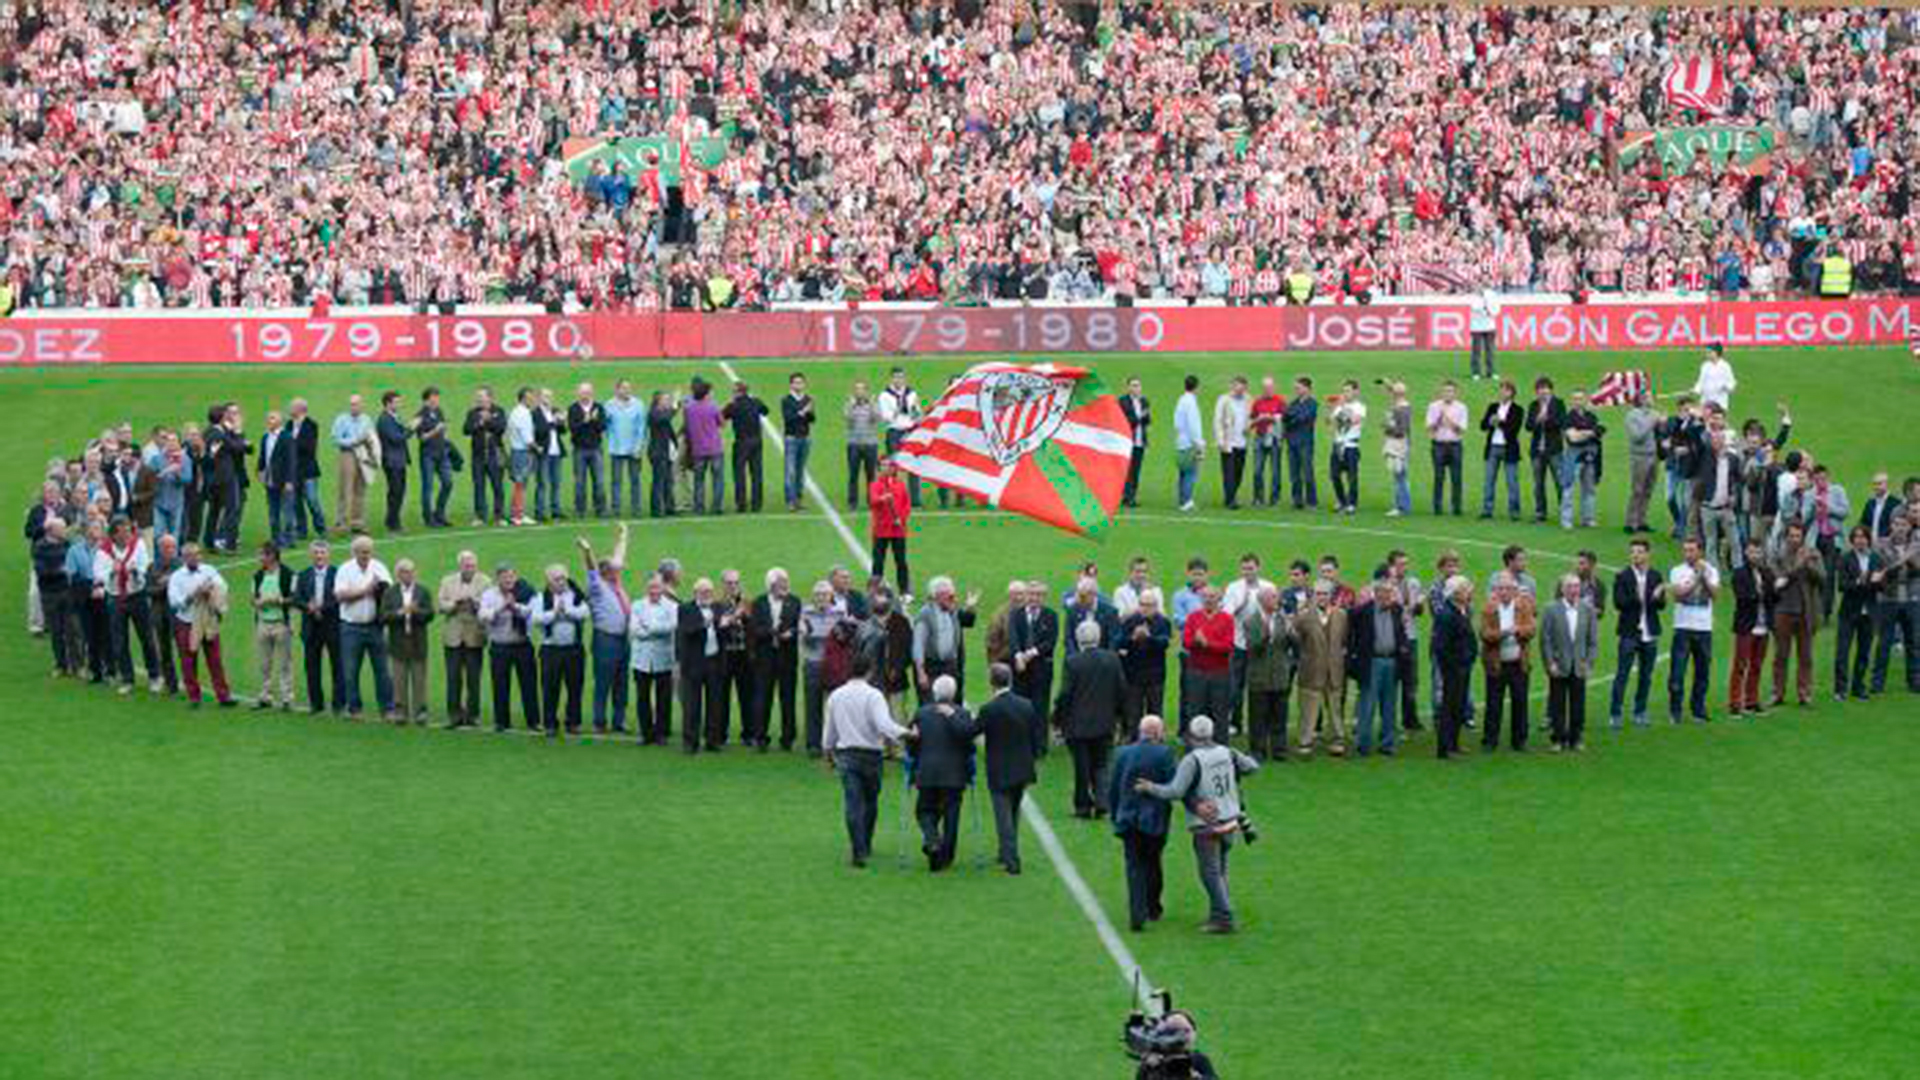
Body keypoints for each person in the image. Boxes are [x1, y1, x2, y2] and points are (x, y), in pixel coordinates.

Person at [1132, 715, 1258, 934]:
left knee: (1210, 873)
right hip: (1231, 820)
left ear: (1191, 735)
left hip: (1207, 825)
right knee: (1221, 870)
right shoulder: (1227, 752)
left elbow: (1175, 791)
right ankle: (1218, 914)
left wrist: (1150, 787)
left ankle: (1225, 918)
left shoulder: (1193, 760)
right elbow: (1252, 767)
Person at [823, 653, 908, 868]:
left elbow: (829, 731)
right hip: (871, 755)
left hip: (847, 755)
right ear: (869, 671)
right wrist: (908, 734)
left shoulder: (836, 695)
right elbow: (884, 725)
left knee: (853, 804)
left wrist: (827, 754)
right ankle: (866, 843)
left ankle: (857, 848)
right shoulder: (874, 695)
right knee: (870, 802)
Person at [1109, 715, 1176, 932]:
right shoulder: (1164, 753)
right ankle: (1153, 907)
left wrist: (1114, 814)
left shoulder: (1122, 753)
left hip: (1128, 818)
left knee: (1134, 866)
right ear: (1158, 733)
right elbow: (1172, 786)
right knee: (1153, 862)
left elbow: (1113, 788)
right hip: (1156, 819)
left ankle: (1137, 914)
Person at [1054, 621, 1125, 819]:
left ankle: (1083, 806)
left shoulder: (1073, 661)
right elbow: (1121, 690)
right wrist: (1119, 716)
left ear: (1078, 639)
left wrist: (1057, 718)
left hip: (1078, 725)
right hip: (1105, 722)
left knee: (1082, 766)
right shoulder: (1112, 659)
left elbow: (1066, 694)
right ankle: (1103, 802)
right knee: (1102, 764)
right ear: (1099, 637)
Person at [978, 663, 1043, 874]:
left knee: (1003, 816)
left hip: (999, 769)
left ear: (992, 683)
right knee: (1014, 811)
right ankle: (1005, 851)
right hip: (1023, 767)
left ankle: (1011, 859)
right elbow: (1035, 739)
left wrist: (951, 716)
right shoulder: (1026, 705)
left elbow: (970, 730)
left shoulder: (989, 709)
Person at [907, 675, 976, 872]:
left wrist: (913, 757)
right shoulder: (962, 714)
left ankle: (932, 840)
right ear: (953, 693)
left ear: (934, 693)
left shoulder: (922, 713)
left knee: (924, 810)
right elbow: (969, 744)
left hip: (927, 772)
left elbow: (912, 741)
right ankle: (946, 856)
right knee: (951, 815)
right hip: (954, 774)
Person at [333, 534, 396, 720]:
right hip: (351, 628)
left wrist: (381, 591)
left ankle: (388, 708)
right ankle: (355, 708)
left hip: (375, 627)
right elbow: (340, 595)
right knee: (351, 671)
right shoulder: (345, 569)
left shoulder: (379, 567)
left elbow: (390, 593)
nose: (366, 556)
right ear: (354, 552)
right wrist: (365, 591)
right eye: (362, 552)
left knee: (383, 671)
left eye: (368, 552)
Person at [95, 514, 160, 695]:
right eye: (123, 532)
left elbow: (145, 565)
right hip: (115, 598)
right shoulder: (104, 551)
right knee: (119, 640)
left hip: (136, 595)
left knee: (146, 637)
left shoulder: (137, 545)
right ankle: (127, 678)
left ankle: (154, 675)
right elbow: (99, 574)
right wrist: (112, 573)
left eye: (129, 531)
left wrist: (136, 571)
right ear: (114, 534)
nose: (127, 535)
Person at [166, 541, 234, 708]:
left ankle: (223, 695)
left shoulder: (209, 570)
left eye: (197, 554)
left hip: (207, 620)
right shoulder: (176, 577)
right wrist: (193, 595)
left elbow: (224, 587)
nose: (194, 558)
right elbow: (174, 602)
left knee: (215, 659)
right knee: (188, 661)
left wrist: (210, 589)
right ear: (183, 558)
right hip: (186, 623)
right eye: (190, 555)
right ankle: (194, 696)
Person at [1347, 574, 1408, 757]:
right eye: (1387, 593)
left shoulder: (1397, 610)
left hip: (1392, 661)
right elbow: (1351, 635)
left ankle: (1387, 744)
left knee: (1389, 706)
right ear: (1377, 594)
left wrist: (1403, 650)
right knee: (1368, 704)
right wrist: (1353, 659)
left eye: (1392, 593)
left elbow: (1401, 633)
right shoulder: (1361, 612)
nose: (1391, 596)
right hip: (1371, 662)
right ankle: (1363, 744)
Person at [579, 527, 632, 733]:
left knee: (622, 682)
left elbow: (619, 556)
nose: (619, 570)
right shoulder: (597, 586)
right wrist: (587, 551)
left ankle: (619, 721)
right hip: (605, 640)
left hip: (621, 639)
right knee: (604, 681)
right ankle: (599, 722)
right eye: (615, 569)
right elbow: (591, 569)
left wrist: (623, 536)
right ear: (606, 571)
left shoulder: (616, 584)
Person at [1609, 538, 1666, 729]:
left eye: (1640, 551)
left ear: (1647, 554)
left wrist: (1656, 597)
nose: (1636, 555)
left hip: (1649, 632)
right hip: (1629, 632)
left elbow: (1662, 605)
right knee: (1622, 674)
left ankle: (1640, 711)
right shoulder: (1622, 576)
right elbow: (1619, 603)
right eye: (1633, 552)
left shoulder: (1656, 576)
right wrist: (1641, 596)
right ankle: (1615, 712)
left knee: (1646, 675)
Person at [1769, 521, 1825, 708]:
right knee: (1780, 656)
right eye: (1791, 536)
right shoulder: (1778, 556)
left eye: (1798, 536)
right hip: (1783, 610)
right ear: (1786, 537)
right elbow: (1778, 581)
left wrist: (1808, 566)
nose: (1794, 539)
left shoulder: (1813, 553)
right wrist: (1799, 566)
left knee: (1805, 656)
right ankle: (1777, 693)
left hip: (1805, 611)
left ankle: (1804, 694)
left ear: (1803, 537)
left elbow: (1822, 579)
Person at [1541, 573, 1599, 752]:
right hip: (1559, 665)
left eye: (1576, 586)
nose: (1573, 590)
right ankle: (1558, 739)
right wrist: (1550, 663)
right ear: (1562, 589)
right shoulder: (1551, 609)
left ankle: (1576, 738)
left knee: (1578, 704)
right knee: (1557, 703)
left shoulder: (1587, 609)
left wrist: (1589, 663)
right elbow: (1546, 640)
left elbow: (1592, 641)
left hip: (1579, 665)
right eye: (1569, 586)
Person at [1292, 579, 1349, 758]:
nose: (1321, 597)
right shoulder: (1303, 616)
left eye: (1325, 593)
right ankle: (1305, 742)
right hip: (1311, 669)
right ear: (1313, 596)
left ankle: (1337, 740)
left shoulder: (1341, 615)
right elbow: (1296, 640)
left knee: (1335, 708)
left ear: (1331, 595)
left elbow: (1343, 640)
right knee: (1308, 708)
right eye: (1318, 593)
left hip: (1334, 669)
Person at [479, 564, 540, 732]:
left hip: (522, 645)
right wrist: (501, 608)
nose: (508, 580)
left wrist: (514, 607)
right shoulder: (489, 595)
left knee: (529, 684)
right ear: (497, 578)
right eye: (505, 577)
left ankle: (533, 721)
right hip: (500, 646)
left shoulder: (525, 591)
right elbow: (483, 616)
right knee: (500, 685)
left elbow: (532, 613)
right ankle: (502, 721)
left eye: (511, 576)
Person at [1479, 571, 1536, 751]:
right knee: (1493, 704)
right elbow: (1484, 634)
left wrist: (1518, 630)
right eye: (1500, 588)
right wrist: (1502, 634)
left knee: (1520, 702)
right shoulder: (1489, 608)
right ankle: (1490, 740)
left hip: (1518, 663)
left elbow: (1532, 629)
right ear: (1495, 590)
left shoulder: (1523, 606)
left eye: (1507, 588)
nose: (1504, 592)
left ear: (1514, 590)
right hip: (1496, 663)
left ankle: (1519, 741)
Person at [748, 567, 801, 751]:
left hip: (787, 658)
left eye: (786, 581)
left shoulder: (795, 601)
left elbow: (799, 626)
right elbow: (754, 629)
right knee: (763, 698)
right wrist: (774, 632)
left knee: (788, 699)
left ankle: (788, 738)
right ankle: (760, 737)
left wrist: (791, 633)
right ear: (771, 585)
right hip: (765, 658)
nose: (785, 585)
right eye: (781, 582)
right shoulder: (759, 603)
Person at [1240, 583, 1294, 761]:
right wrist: (1267, 634)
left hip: (1279, 675)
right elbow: (1253, 648)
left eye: (1276, 596)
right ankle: (1258, 750)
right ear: (1262, 600)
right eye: (1273, 597)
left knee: (1279, 715)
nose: (1277, 600)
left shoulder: (1283, 620)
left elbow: (1295, 645)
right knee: (1258, 717)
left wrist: (1291, 632)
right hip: (1259, 677)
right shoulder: (1250, 621)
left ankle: (1279, 749)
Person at [676, 577, 728, 752]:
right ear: (695, 593)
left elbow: (722, 633)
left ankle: (712, 741)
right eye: (704, 592)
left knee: (715, 704)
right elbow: (687, 630)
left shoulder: (718, 607)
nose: (707, 595)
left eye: (710, 592)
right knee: (692, 705)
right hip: (693, 664)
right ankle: (690, 742)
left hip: (714, 661)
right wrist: (704, 624)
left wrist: (726, 625)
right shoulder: (685, 608)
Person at [437, 550, 487, 729]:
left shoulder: (485, 581)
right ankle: (454, 715)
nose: (470, 569)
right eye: (467, 566)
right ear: (460, 566)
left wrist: (474, 603)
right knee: (453, 678)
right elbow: (441, 605)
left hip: (474, 636)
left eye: (473, 565)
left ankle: (473, 715)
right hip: (453, 636)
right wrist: (455, 604)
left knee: (474, 679)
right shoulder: (447, 581)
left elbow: (488, 605)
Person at [380, 557, 434, 725]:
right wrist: (400, 612)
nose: (407, 575)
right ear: (398, 575)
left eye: (410, 572)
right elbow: (383, 616)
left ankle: (420, 712)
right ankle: (400, 712)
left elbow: (430, 614)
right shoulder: (390, 593)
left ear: (415, 573)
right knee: (399, 679)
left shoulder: (423, 591)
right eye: (403, 572)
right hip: (397, 642)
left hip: (418, 641)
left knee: (419, 679)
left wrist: (416, 611)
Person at [1832, 525, 1882, 702]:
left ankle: (1858, 687)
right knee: (1842, 652)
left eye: (1863, 537)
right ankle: (1840, 689)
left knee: (1864, 651)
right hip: (1849, 612)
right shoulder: (1846, 558)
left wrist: (1877, 581)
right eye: (1857, 537)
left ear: (1868, 539)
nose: (1860, 540)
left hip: (1869, 612)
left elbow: (1881, 587)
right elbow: (1842, 585)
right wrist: (1859, 581)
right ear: (1852, 540)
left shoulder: (1876, 558)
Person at [293, 539, 342, 715]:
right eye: (316, 553)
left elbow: (339, 598)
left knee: (338, 666)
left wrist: (321, 607)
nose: (319, 556)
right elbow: (296, 598)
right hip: (311, 627)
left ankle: (338, 703)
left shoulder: (338, 574)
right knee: (312, 667)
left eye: (322, 552)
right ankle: (316, 703)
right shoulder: (303, 575)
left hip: (333, 625)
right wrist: (309, 607)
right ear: (311, 555)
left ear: (328, 555)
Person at [628, 573, 678, 745]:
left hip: (663, 659)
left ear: (662, 587)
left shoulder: (671, 606)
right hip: (641, 660)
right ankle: (646, 733)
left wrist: (649, 627)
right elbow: (634, 630)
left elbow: (671, 627)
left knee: (663, 698)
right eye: (650, 587)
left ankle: (661, 733)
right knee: (642, 697)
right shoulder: (637, 605)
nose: (653, 591)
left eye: (656, 587)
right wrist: (655, 630)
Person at [1729, 538, 1777, 717]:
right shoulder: (1739, 573)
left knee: (1757, 665)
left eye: (1758, 552)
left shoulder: (1767, 573)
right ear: (1745, 553)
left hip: (1763, 626)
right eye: (1751, 552)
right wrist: (1761, 594)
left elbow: (1774, 598)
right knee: (1740, 665)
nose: (1755, 555)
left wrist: (1775, 590)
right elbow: (1742, 597)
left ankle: (1751, 701)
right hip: (1746, 626)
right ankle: (1735, 703)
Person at [1872, 514, 1920, 694]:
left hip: (1912, 598)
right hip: (1888, 598)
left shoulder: (1916, 545)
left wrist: (1911, 562)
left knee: (1913, 642)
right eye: (1896, 524)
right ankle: (1877, 683)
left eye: (1904, 524)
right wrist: (1901, 562)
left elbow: (1918, 570)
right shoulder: (1880, 544)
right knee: (1884, 642)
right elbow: (1881, 566)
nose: (1900, 527)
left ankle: (1915, 682)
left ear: (1909, 526)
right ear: (1891, 525)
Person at [1431, 576, 1478, 759]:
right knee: (1449, 708)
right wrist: (1456, 665)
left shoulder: (1461, 610)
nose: (1469, 592)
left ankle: (1454, 744)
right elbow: (1441, 647)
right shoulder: (1447, 614)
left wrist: (1470, 657)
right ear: (1456, 593)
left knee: (1458, 707)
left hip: (1462, 667)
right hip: (1453, 670)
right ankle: (1445, 748)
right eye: (1465, 589)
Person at [913, 575, 977, 705]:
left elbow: (968, 622)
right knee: (931, 706)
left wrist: (970, 607)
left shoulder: (952, 610)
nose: (953, 598)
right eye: (949, 595)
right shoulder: (925, 615)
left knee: (953, 705)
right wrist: (921, 673)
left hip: (950, 666)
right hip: (931, 667)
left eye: (953, 594)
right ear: (936, 596)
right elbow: (918, 645)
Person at [250, 541, 296, 710]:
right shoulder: (258, 576)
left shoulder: (288, 574)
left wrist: (278, 600)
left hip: (281, 624)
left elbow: (294, 598)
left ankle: (287, 698)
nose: (259, 558)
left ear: (271, 556)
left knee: (285, 663)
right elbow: (252, 598)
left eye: (262, 554)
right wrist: (257, 603)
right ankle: (265, 696)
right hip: (263, 623)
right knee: (264, 663)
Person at [1179, 586, 1233, 731]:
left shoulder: (1227, 619)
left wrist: (1207, 643)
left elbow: (1228, 646)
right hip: (1196, 672)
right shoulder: (1193, 617)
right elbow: (1186, 642)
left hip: (1219, 673)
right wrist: (1197, 642)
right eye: (1205, 597)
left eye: (1212, 597)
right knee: (1195, 710)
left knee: (1219, 711)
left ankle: (1220, 747)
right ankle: (1194, 747)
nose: (1208, 600)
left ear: (1219, 599)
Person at [799, 580, 841, 755]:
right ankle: (813, 744)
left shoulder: (839, 613)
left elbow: (841, 639)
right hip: (813, 664)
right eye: (818, 594)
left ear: (831, 596)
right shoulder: (805, 613)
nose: (821, 597)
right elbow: (806, 639)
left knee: (836, 706)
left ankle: (835, 742)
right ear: (813, 597)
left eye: (825, 594)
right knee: (813, 706)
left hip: (833, 666)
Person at [1010, 581, 1060, 717]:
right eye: (1031, 594)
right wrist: (1019, 656)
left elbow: (1050, 642)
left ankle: (1039, 738)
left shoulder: (1051, 616)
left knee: (1040, 710)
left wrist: (1030, 654)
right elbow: (1013, 638)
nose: (1034, 598)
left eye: (1039, 595)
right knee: (1020, 709)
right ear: (1026, 595)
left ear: (1044, 597)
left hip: (1041, 670)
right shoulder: (1015, 614)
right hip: (1020, 670)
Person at [875, 368, 923, 507]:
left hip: (910, 431)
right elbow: (886, 418)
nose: (899, 380)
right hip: (894, 432)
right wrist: (897, 409)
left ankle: (916, 501)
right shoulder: (885, 395)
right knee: (894, 466)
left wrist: (916, 412)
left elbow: (917, 414)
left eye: (901, 377)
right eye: (896, 377)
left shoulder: (911, 393)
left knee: (914, 466)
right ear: (891, 379)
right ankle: (895, 498)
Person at [1525, 377, 1568, 525]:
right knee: (1538, 483)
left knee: (1559, 482)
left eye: (1545, 389)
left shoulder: (1559, 404)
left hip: (1554, 450)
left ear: (1551, 390)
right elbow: (1528, 426)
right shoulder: (1533, 405)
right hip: (1537, 451)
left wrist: (1547, 419)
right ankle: (1540, 513)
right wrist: (1538, 419)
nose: (1543, 392)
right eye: (1540, 389)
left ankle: (1564, 512)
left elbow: (1562, 422)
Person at [462, 388, 507, 527]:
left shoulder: (499, 411)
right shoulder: (473, 413)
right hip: (478, 455)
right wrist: (480, 422)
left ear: (490, 398)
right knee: (479, 486)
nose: (478, 399)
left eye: (481, 396)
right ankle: (480, 516)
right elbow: (466, 430)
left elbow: (501, 428)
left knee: (498, 486)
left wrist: (489, 421)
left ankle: (499, 516)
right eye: (477, 396)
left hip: (496, 454)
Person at [331, 394, 375, 535]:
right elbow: (335, 438)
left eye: (356, 404)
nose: (353, 407)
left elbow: (372, 436)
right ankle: (341, 522)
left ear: (362, 405)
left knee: (360, 489)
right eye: (351, 404)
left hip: (363, 454)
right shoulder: (341, 419)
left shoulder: (367, 419)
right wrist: (354, 441)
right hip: (348, 453)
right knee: (345, 488)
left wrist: (371, 453)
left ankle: (357, 522)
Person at [1560, 390, 1604, 530]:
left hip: (1589, 456)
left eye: (1580, 398)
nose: (1578, 401)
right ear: (1572, 401)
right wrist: (1590, 432)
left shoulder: (1592, 416)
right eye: (1575, 399)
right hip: (1573, 456)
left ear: (1585, 400)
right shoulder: (1568, 417)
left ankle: (1588, 518)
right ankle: (1566, 520)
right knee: (1569, 488)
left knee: (1589, 489)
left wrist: (1582, 433)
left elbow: (1599, 432)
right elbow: (1573, 438)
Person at [284, 399, 327, 539]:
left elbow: (308, 447)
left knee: (312, 500)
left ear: (301, 409)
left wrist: (292, 443)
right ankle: (301, 530)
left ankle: (321, 528)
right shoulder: (289, 425)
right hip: (293, 471)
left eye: (292, 407)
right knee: (296, 502)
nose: (289, 409)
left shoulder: (311, 425)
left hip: (308, 471)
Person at [682, 378, 725, 516]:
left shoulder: (689, 408)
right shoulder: (713, 406)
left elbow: (687, 426)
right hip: (715, 448)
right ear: (706, 394)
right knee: (717, 479)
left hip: (698, 449)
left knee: (698, 480)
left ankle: (699, 507)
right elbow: (722, 423)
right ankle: (716, 507)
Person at [868, 459, 911, 597]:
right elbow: (873, 501)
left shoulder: (901, 485)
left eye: (888, 466)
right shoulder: (875, 485)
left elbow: (906, 505)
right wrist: (883, 498)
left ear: (894, 469)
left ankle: (904, 590)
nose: (886, 468)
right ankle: (875, 590)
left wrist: (901, 519)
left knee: (901, 561)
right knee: (878, 561)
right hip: (881, 530)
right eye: (883, 466)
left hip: (898, 530)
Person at [1426, 379, 1468, 517]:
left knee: (1456, 477)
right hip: (1438, 445)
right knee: (1439, 477)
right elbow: (1429, 429)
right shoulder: (1433, 406)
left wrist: (1449, 421)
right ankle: (1437, 507)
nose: (1447, 394)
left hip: (1455, 445)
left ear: (1456, 393)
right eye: (1445, 391)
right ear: (1441, 392)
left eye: (1450, 391)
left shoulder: (1462, 407)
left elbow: (1461, 430)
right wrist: (1438, 419)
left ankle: (1457, 507)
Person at [1622, 389, 1662, 534]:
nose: (1653, 399)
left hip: (1654, 456)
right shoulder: (1632, 416)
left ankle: (1641, 521)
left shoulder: (1654, 413)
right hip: (1640, 456)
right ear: (1642, 399)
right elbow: (1637, 436)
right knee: (1637, 490)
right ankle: (1630, 522)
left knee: (1648, 490)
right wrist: (1653, 422)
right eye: (1650, 397)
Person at [567, 382, 608, 518]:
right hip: (579, 450)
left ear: (592, 393)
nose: (585, 395)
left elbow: (602, 427)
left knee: (599, 481)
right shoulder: (573, 409)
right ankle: (580, 509)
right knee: (579, 482)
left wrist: (594, 420)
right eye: (583, 392)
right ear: (578, 393)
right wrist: (585, 420)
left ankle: (600, 508)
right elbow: (572, 429)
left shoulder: (599, 407)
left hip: (596, 449)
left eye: (588, 392)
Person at [414, 387, 454, 528]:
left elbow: (444, 429)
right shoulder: (419, 416)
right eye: (433, 398)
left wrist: (445, 437)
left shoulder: (438, 411)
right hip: (428, 455)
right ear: (426, 400)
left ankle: (439, 513)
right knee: (428, 487)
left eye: (437, 397)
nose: (436, 400)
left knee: (448, 483)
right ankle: (428, 518)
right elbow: (422, 438)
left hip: (442, 453)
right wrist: (435, 430)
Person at [605, 380, 646, 516]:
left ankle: (636, 507)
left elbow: (642, 428)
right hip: (616, 448)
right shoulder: (609, 405)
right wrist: (610, 440)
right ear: (617, 389)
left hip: (633, 449)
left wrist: (639, 447)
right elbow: (605, 426)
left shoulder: (638, 404)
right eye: (623, 388)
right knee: (616, 480)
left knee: (635, 480)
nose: (627, 390)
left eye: (629, 388)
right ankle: (615, 508)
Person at [375, 391, 412, 532]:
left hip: (399, 460)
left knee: (399, 491)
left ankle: (392, 520)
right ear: (388, 403)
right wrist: (411, 429)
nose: (399, 404)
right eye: (396, 402)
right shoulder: (384, 419)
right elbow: (396, 438)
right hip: (392, 461)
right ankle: (393, 523)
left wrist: (407, 428)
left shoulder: (394, 417)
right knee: (395, 491)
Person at [1327, 378, 1365, 515]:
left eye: (1348, 390)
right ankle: (1342, 500)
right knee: (1334, 475)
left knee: (1352, 476)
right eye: (1343, 391)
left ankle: (1352, 503)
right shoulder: (1338, 407)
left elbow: (1354, 420)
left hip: (1351, 446)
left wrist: (1342, 408)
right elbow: (1329, 423)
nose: (1345, 393)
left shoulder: (1360, 407)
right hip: (1338, 444)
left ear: (1356, 391)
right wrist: (1332, 409)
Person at [531, 388, 569, 522]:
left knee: (556, 483)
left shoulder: (554, 410)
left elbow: (563, 431)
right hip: (543, 452)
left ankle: (556, 510)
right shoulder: (535, 413)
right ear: (539, 398)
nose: (548, 399)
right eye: (545, 396)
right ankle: (540, 511)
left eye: (550, 396)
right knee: (542, 483)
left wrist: (562, 421)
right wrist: (553, 421)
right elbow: (539, 431)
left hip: (556, 452)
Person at [1212, 376, 1250, 510]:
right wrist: (1220, 440)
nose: (1240, 391)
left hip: (1242, 442)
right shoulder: (1224, 400)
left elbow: (1249, 417)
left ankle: (1232, 494)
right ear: (1232, 387)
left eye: (1242, 388)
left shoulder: (1247, 399)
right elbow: (1217, 421)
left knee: (1238, 472)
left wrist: (1249, 427)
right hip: (1228, 443)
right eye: (1237, 387)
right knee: (1229, 471)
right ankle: (1230, 500)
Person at [1282, 376, 1319, 509]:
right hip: (1291, 442)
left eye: (1298, 387)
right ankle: (1297, 500)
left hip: (1305, 442)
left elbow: (1303, 417)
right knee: (1294, 473)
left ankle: (1311, 501)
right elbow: (1285, 416)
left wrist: (1291, 417)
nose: (1296, 390)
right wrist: (1292, 417)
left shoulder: (1312, 403)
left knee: (1307, 472)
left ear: (1307, 388)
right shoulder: (1294, 403)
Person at [780, 373, 815, 512]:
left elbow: (812, 419)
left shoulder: (808, 399)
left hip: (805, 438)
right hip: (791, 438)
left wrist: (809, 412)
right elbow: (788, 418)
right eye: (796, 382)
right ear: (791, 385)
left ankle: (798, 500)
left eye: (801, 382)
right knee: (790, 471)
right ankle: (790, 501)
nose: (798, 385)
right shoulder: (786, 400)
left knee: (800, 471)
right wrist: (803, 412)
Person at [257, 412, 292, 546]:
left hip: (283, 480)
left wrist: (289, 480)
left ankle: (289, 538)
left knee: (287, 511)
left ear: (280, 421)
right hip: (270, 479)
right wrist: (260, 470)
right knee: (273, 510)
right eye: (268, 418)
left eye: (272, 418)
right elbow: (263, 455)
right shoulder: (265, 437)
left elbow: (291, 460)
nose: (269, 420)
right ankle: (276, 537)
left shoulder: (286, 437)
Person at [1380, 380, 1413, 517]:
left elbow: (1401, 430)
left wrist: (1387, 426)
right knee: (1400, 476)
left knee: (1399, 476)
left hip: (1399, 445)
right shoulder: (1401, 405)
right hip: (1400, 444)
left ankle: (1402, 507)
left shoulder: (1402, 408)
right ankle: (1402, 505)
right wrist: (1389, 385)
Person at [505, 388, 537, 526]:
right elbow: (527, 437)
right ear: (523, 398)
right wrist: (537, 448)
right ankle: (517, 515)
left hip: (516, 450)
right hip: (522, 451)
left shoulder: (515, 411)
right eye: (530, 397)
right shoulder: (524, 413)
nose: (532, 400)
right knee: (520, 484)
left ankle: (516, 513)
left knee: (519, 484)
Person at [1172, 375, 1203, 512]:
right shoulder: (1191, 402)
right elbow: (1193, 425)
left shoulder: (1181, 400)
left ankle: (1182, 500)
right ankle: (1187, 501)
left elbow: (1177, 423)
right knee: (1191, 473)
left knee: (1183, 473)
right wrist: (1199, 443)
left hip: (1181, 441)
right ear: (1196, 387)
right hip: (1190, 443)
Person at [645, 390, 678, 519]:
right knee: (659, 481)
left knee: (668, 481)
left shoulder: (661, 413)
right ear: (658, 401)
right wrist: (675, 407)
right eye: (666, 399)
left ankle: (669, 507)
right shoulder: (654, 413)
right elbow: (665, 418)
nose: (668, 402)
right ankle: (656, 509)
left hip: (666, 452)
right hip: (658, 453)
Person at [1119, 377, 1151, 508]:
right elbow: (1125, 421)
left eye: (1138, 385)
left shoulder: (1144, 401)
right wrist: (1140, 417)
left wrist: (1146, 440)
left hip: (1139, 441)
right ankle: (1127, 497)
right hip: (1127, 442)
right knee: (1127, 470)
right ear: (1128, 388)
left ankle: (1131, 496)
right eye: (1133, 385)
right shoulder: (1123, 402)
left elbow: (1147, 421)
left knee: (1136, 471)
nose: (1136, 388)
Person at [1692, 343, 1738, 413]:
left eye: (1710, 352)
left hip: (1720, 400)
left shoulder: (1725, 366)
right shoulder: (1705, 366)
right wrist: (1696, 389)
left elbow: (1732, 382)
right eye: (1707, 352)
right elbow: (1701, 381)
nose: (1707, 354)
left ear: (1717, 353)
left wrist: (1726, 387)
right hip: (1706, 399)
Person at [1468, 287, 1499, 378]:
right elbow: (1475, 308)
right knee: (1476, 351)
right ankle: (1476, 372)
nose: (1481, 285)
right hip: (1476, 327)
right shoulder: (1473, 296)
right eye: (1480, 282)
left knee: (1490, 350)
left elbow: (1496, 309)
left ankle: (1491, 372)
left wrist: (1490, 310)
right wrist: (1485, 306)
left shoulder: (1492, 294)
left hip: (1490, 326)